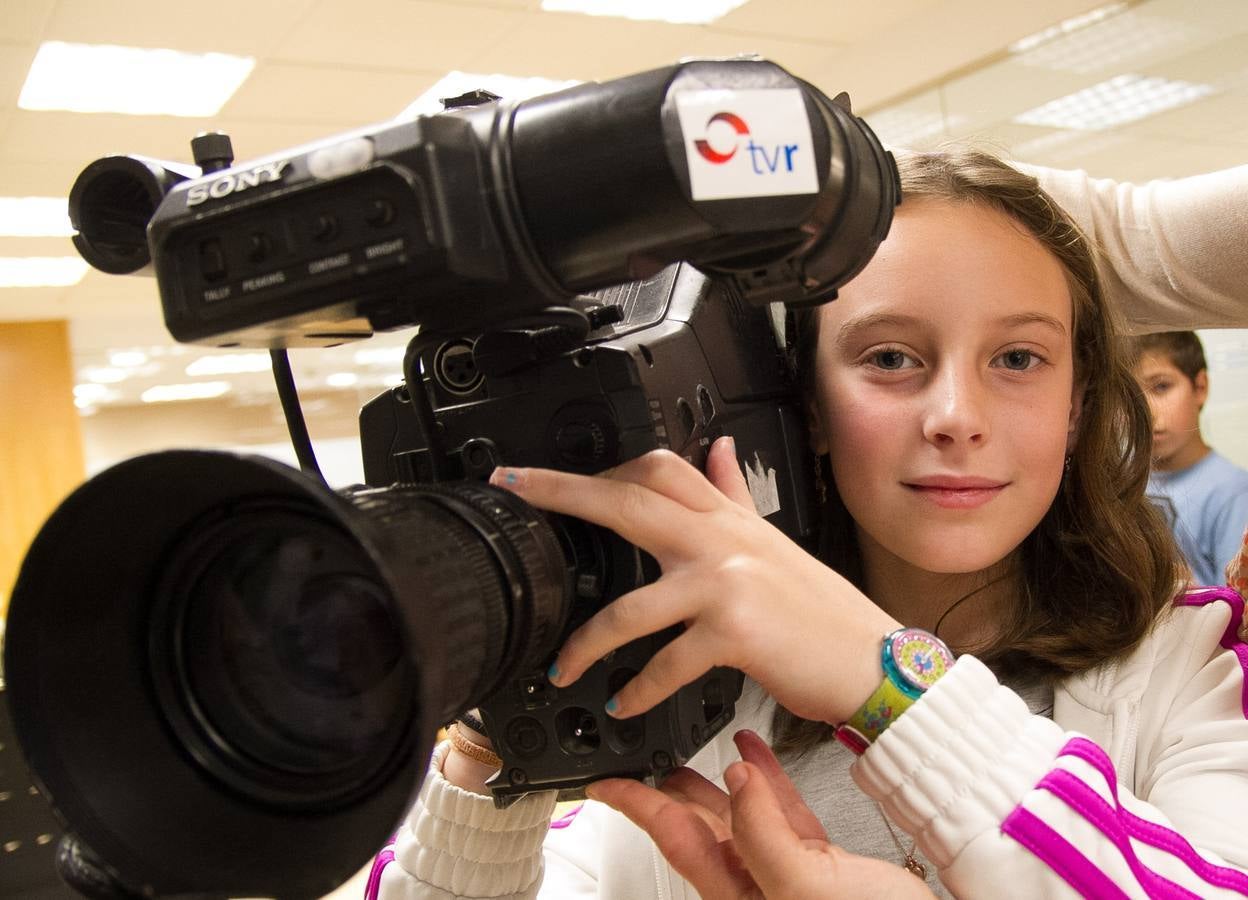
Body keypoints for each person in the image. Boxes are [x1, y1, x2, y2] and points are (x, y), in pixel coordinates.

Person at [370, 152, 1248, 900]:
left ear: (1076, 406)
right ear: (811, 409)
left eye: (1018, 358)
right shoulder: (686, 690)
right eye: (891, 358)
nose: (956, 416)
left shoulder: (1196, 666)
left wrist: (888, 684)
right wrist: (500, 727)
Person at [1131, 330, 1248, 586]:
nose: (1146, 411)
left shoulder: (1234, 492)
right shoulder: (1120, 482)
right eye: (1131, 396)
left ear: (1200, 387)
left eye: (1161, 387)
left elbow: (1237, 605)